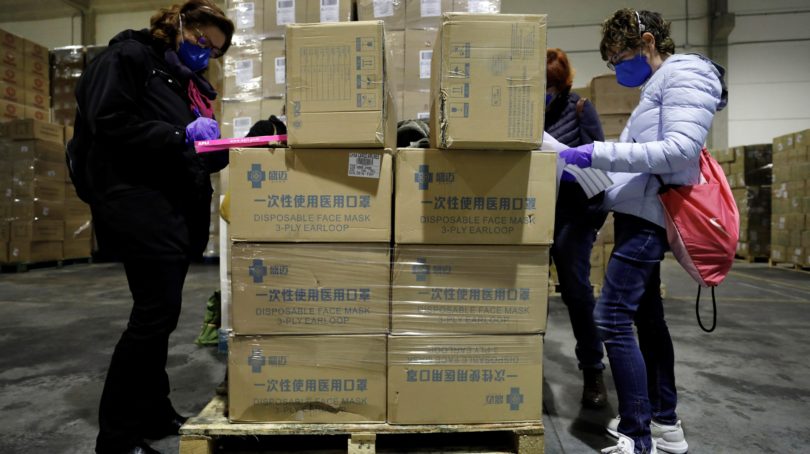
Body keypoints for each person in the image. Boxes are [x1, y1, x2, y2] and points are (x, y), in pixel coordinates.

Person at [559, 8, 727, 454]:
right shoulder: (660, 85)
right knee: (647, 319)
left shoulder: (686, 74)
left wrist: (596, 153)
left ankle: (638, 434)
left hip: (652, 219)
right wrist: (584, 162)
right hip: (641, 213)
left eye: (619, 58)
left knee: (611, 317)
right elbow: (642, 151)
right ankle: (665, 424)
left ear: (648, 41)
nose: (617, 69)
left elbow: (678, 150)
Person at [70, 1, 234, 453]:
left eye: (215, 52)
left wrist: (220, 145)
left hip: (172, 212)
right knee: (151, 317)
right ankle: (118, 437)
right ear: (179, 24)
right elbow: (109, 123)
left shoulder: (183, 82)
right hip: (137, 204)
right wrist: (180, 134)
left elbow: (182, 146)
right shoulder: (126, 59)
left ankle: (154, 411)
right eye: (203, 41)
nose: (206, 54)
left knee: (161, 315)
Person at [545, 48, 609, 409]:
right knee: (529, 292)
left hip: (576, 213)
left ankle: (592, 370)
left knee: (576, 291)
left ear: (563, 83)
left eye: (552, 86)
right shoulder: (524, 114)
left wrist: (566, 160)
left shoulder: (581, 109)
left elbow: (600, 163)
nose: (546, 92)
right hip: (539, 213)